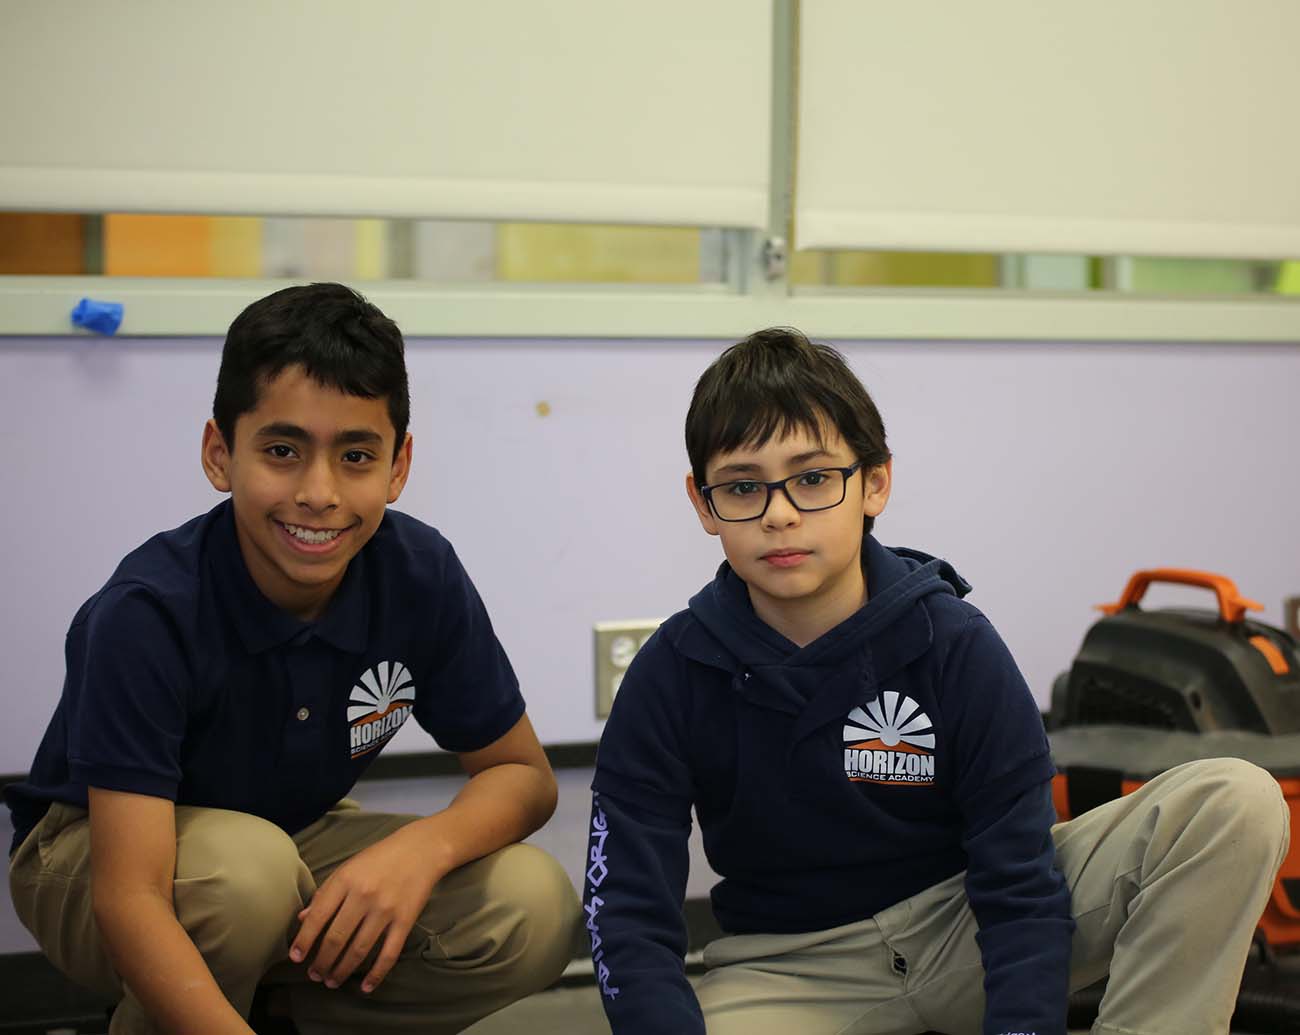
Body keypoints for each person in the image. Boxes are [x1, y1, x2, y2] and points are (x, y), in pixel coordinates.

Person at [583, 327, 1289, 1035]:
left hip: (966, 929)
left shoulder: (955, 644)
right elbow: (628, 916)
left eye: (813, 477)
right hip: (787, 970)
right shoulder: (670, 673)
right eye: (742, 486)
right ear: (704, 504)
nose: (780, 512)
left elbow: (1019, 885)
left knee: (1234, 799)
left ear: (875, 482)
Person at [6, 283, 579, 1035]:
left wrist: (417, 851)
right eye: (282, 450)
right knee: (248, 878)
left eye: (356, 455)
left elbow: (523, 777)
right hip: (97, 855)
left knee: (532, 901)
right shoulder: (146, 612)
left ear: (399, 466)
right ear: (220, 453)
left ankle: (265, 1009)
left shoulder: (419, 572)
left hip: (282, 839)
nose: (318, 493)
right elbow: (131, 895)